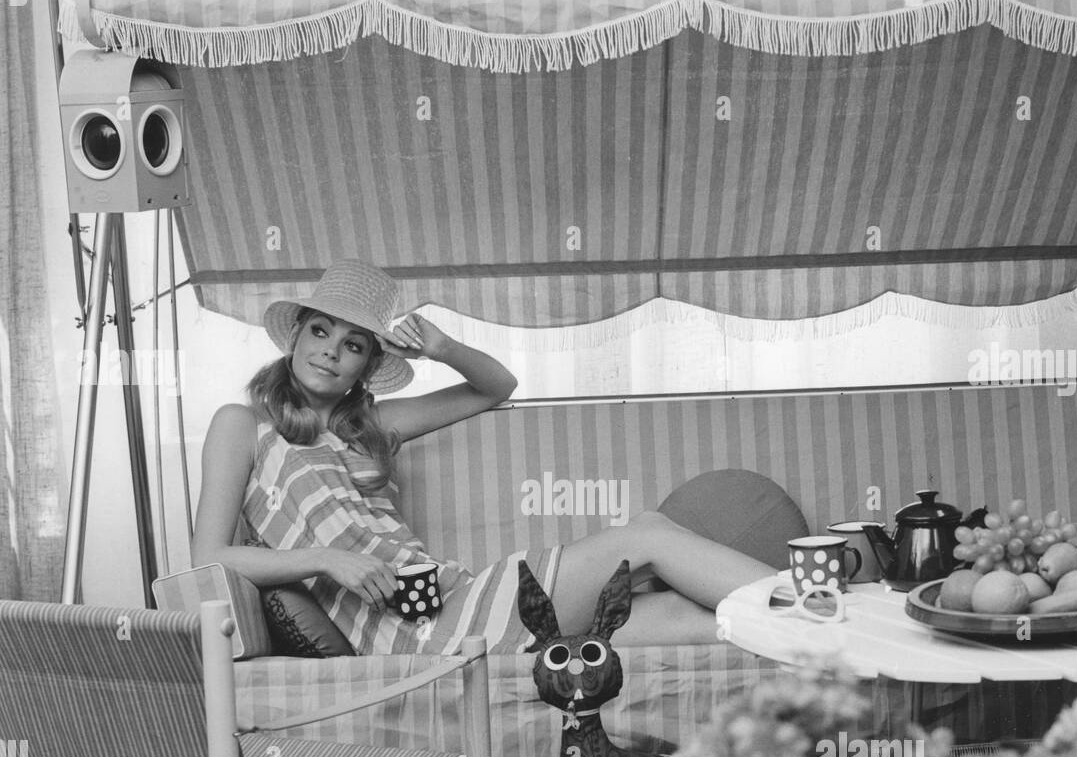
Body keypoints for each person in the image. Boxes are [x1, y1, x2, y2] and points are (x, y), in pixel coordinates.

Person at [192, 259, 778, 652]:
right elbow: (208, 558)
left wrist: (442, 346)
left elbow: (495, 385)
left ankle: (814, 633)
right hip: (412, 635)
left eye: (352, 345)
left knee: (689, 622)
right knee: (645, 534)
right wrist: (326, 560)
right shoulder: (244, 426)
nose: (329, 353)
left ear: (368, 366)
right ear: (295, 336)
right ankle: (814, 603)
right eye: (319, 332)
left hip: (449, 599)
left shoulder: (369, 427)